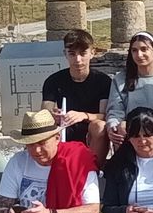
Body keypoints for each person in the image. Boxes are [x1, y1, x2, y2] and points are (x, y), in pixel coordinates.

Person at [40, 28, 111, 159]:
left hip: (91, 131)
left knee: (99, 126)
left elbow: (105, 116)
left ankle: (93, 168)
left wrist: (83, 116)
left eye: (83, 53)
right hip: (63, 129)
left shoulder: (103, 81)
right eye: (72, 54)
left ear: (92, 53)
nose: (78, 60)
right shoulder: (53, 81)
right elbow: (45, 112)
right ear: (65, 54)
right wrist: (53, 115)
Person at [104, 32, 153, 151]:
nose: (139, 54)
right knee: (120, 126)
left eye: (144, 49)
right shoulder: (120, 80)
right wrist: (112, 125)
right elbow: (115, 109)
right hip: (129, 130)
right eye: (134, 50)